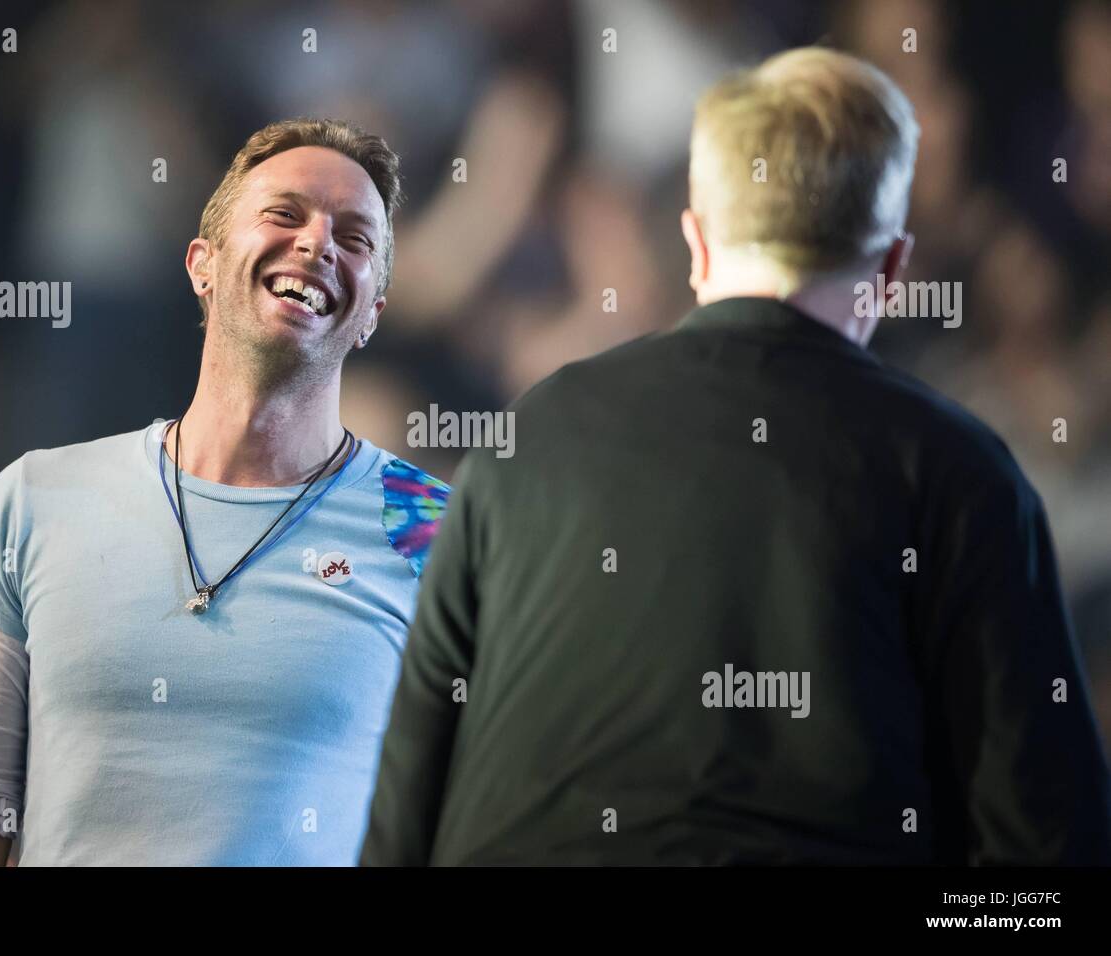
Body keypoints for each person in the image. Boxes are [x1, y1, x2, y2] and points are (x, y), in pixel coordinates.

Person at [359, 48, 1111, 865]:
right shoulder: (965, 475)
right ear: (892, 270)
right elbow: (1048, 869)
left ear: (696, 243)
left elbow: (400, 816)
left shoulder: (521, 438)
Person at [0, 118, 449, 866]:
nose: (318, 242)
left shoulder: (435, 526)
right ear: (204, 264)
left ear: (370, 317)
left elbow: (477, 811)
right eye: (285, 214)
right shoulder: (36, 497)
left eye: (354, 238)